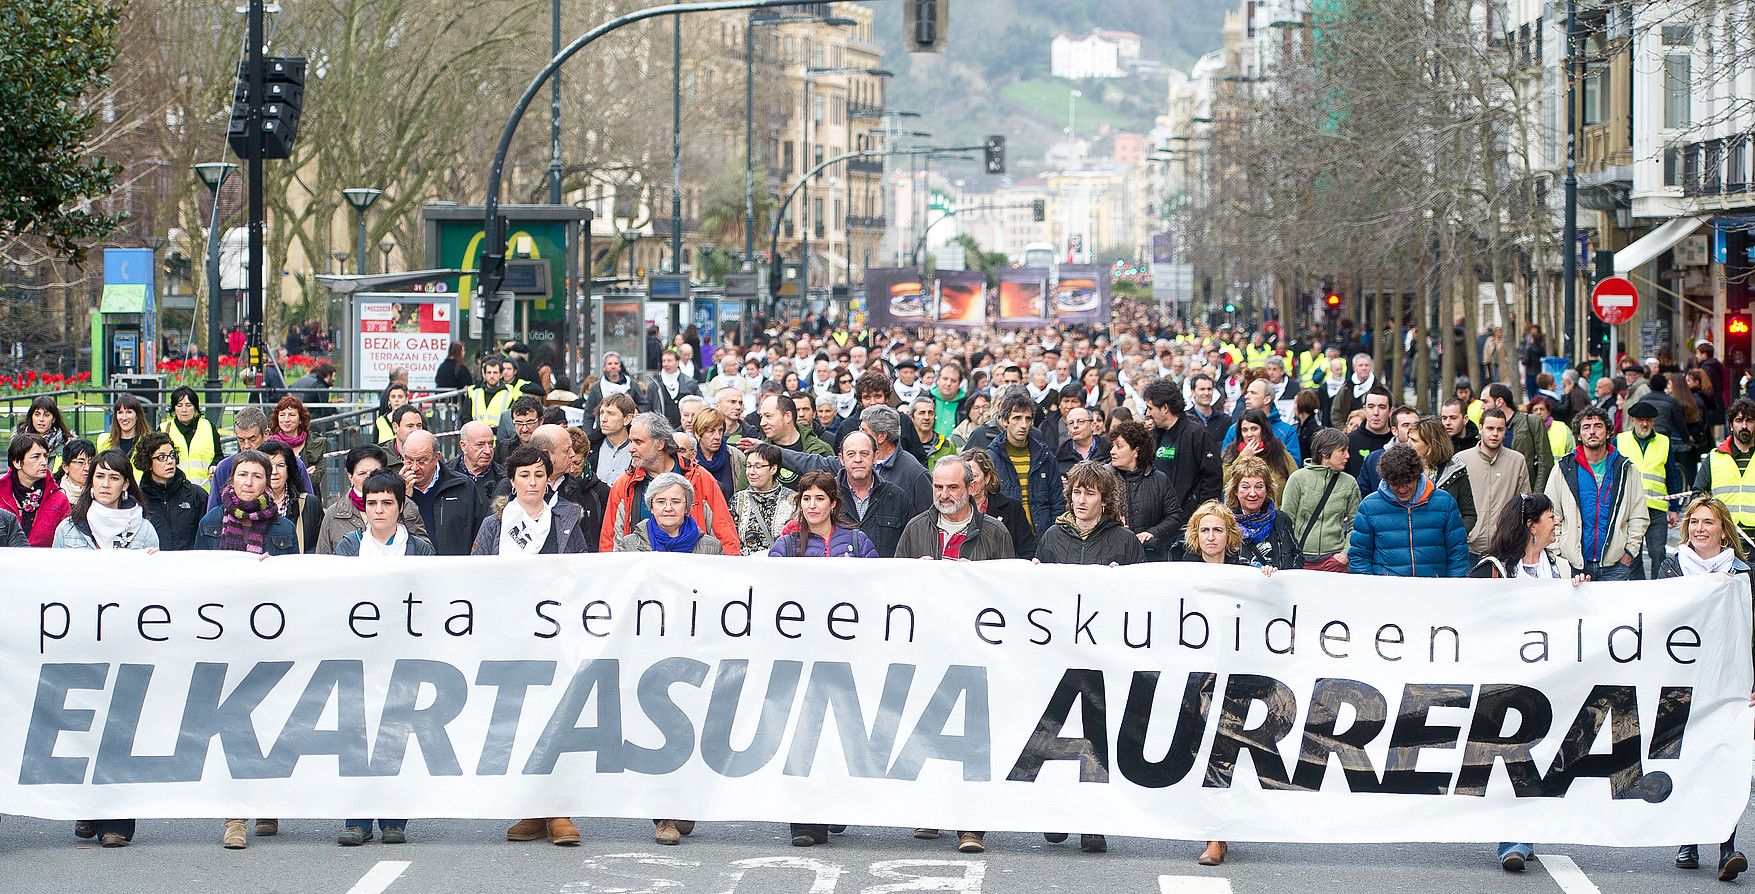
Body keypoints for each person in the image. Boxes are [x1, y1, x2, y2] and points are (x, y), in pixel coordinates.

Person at [893, 454, 1011, 854]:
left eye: (952, 488)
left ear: (971, 488)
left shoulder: (994, 533)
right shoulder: (915, 528)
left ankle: (971, 825)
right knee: (927, 731)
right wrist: (916, 575)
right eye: (938, 487)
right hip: (928, 647)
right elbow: (894, 587)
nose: (944, 495)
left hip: (976, 651)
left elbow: (1008, 595)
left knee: (974, 738)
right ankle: (931, 811)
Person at [473, 446, 589, 847]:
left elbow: (581, 573)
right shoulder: (495, 525)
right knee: (521, 721)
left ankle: (559, 810)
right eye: (525, 476)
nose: (533, 483)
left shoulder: (567, 520)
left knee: (556, 719)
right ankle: (534, 809)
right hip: (510, 636)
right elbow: (478, 578)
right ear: (513, 480)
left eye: (539, 475)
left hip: (555, 636)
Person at [328, 469, 432, 846]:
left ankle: (394, 820)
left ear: (400, 507)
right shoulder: (348, 547)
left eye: (387, 503)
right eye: (372, 503)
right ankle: (356, 819)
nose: (379, 510)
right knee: (356, 733)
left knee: (396, 734)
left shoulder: (420, 549)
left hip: (403, 654)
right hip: (358, 656)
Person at [1173, 499, 1275, 867]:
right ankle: (1210, 827)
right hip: (1194, 676)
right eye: (1204, 531)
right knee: (1197, 747)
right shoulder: (1180, 572)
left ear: (1229, 535)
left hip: (1236, 677)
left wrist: (1267, 582)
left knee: (1225, 750)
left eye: (1217, 530)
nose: (1211, 537)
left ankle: (1217, 835)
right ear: (1195, 536)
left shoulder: (1247, 572)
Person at [1654, 496, 1750, 881]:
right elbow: (1658, 616)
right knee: (1688, 755)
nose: (1699, 529)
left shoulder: (1744, 571)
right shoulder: (1672, 566)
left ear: (1724, 530)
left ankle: (1727, 843)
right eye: (1694, 522)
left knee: (1726, 757)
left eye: (1708, 522)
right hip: (1682, 678)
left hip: (1729, 677)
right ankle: (1688, 840)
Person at [601, 413, 740, 553]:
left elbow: (724, 533)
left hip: (694, 569)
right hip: (643, 572)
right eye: (630, 442)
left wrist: (728, 569)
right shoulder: (624, 485)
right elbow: (609, 542)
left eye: (638, 442)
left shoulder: (700, 478)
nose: (631, 448)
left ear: (660, 443)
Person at [1543, 407, 1648, 581]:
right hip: (1573, 565)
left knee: (1613, 610)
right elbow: (1551, 513)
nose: (1592, 431)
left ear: (1607, 432)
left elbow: (1638, 515)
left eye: (1598, 426)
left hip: (1615, 566)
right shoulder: (1564, 469)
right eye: (1586, 427)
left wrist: (1629, 552)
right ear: (1578, 434)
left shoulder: (1625, 469)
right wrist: (1558, 551)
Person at [1349, 444, 1469, 577]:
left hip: (1434, 590)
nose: (1402, 489)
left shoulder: (1444, 502)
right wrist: (1375, 588)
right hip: (1388, 592)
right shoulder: (1369, 507)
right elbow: (1359, 556)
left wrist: (1452, 587)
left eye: (1407, 482)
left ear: (1417, 476)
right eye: (1395, 484)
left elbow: (1458, 553)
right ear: (1386, 480)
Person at [314, 445, 429, 555]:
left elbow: (423, 549)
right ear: (350, 476)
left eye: (374, 473)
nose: (368, 478)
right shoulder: (334, 514)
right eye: (362, 473)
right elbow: (324, 560)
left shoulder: (406, 505)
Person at [1034, 461, 1143, 569]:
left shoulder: (1126, 540)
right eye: (1077, 492)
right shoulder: (1052, 536)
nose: (1081, 500)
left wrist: (1121, 578)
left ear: (1104, 499)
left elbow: (1140, 583)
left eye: (1089, 494)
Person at [987, 386, 1063, 538]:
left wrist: (1053, 535)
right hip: (1006, 537)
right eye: (1017, 418)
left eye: (1028, 419)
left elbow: (1057, 502)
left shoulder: (1045, 457)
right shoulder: (991, 458)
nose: (1023, 424)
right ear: (1005, 420)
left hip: (1041, 536)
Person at [1281, 428, 1362, 572]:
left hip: (1334, 561)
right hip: (1301, 559)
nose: (1347, 456)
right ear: (1325, 453)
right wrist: (1290, 553)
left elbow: (1356, 524)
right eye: (1342, 451)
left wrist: (1345, 553)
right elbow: (1286, 521)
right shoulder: (1298, 479)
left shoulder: (1349, 483)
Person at [1619, 400, 1684, 578]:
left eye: (1648, 419)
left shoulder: (1664, 442)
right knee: (1632, 554)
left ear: (1654, 421)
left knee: (1658, 553)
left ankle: (1658, 588)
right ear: (1632, 420)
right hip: (1630, 508)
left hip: (1656, 508)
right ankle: (1639, 592)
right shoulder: (1620, 441)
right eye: (1640, 419)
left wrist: (1675, 508)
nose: (1644, 423)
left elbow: (1672, 475)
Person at [400, 429, 487, 556]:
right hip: (413, 570)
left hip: (452, 570)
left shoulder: (462, 485)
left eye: (422, 461)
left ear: (437, 458)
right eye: (408, 461)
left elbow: (479, 533)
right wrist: (404, 497)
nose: (414, 468)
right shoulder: (395, 490)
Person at [53, 449, 158, 551]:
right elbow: (56, 567)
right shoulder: (67, 528)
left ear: (125, 485)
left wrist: (151, 560)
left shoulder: (145, 530)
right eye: (100, 476)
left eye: (114, 478)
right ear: (92, 481)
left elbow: (153, 568)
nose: (106, 484)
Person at [1106, 421, 1178, 561]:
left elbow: (1174, 516)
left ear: (1136, 451)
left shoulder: (1159, 480)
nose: (1112, 451)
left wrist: (1152, 532)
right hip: (1112, 555)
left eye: (1119, 446)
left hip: (1150, 556)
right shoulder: (1103, 477)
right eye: (1113, 446)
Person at [768, 469, 878, 559]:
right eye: (806, 499)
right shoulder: (785, 545)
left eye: (820, 499)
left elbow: (875, 581)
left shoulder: (858, 540)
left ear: (833, 503)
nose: (812, 505)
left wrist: (853, 573)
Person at [133, 431, 208, 551]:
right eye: (161, 457)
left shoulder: (197, 496)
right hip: (153, 566)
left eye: (172, 455)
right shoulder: (137, 500)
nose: (170, 461)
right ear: (148, 462)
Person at [1694, 398, 1755, 544]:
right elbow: (1698, 494)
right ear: (1731, 425)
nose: (1744, 426)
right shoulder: (1714, 457)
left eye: (1750, 421)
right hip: (1724, 539)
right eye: (1739, 421)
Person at [1224, 455, 1300, 569]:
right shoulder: (1225, 523)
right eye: (1245, 487)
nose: (1253, 493)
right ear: (1235, 490)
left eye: (1259, 487)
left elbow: (1297, 557)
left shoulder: (1281, 520)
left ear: (1267, 489)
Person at [1408, 415, 1475, 536]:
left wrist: (1455, 538)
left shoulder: (1455, 471)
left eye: (1414, 440)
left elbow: (1469, 514)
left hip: (1442, 549)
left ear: (1430, 444)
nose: (1408, 444)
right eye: (1409, 439)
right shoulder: (1402, 469)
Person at [0, 434, 71, 548]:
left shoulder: (59, 499)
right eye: (36, 456)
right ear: (17, 462)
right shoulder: (1, 494)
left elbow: (67, 541)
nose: (44, 462)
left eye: (45, 456)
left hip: (46, 563)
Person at [1484, 382, 1552, 492]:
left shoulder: (1531, 422)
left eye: (1485, 401)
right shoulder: (1485, 428)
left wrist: (1536, 494)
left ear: (1499, 401)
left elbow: (1545, 460)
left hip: (1525, 491)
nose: (1482, 406)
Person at [731, 443, 796, 554]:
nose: (751, 472)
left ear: (773, 469)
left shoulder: (792, 500)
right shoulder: (738, 500)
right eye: (749, 466)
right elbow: (730, 538)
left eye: (758, 466)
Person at [1221, 409, 1298, 502]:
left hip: (1275, 512)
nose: (1249, 434)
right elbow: (1225, 482)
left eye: (1254, 429)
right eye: (1245, 430)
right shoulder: (1232, 452)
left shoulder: (1278, 451)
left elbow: (1295, 480)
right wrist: (1241, 458)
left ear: (1263, 430)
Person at [260, 440, 321, 552]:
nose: (274, 472)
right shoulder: (249, 504)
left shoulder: (308, 503)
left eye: (280, 465)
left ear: (289, 470)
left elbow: (317, 547)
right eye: (268, 466)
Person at [160, 387, 223, 486]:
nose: (184, 410)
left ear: (195, 407)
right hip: (173, 491)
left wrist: (214, 465)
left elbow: (219, 455)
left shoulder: (208, 427)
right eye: (179, 405)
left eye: (188, 405)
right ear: (174, 408)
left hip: (204, 491)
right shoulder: (163, 429)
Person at [693, 408, 745, 502]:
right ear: (698, 433)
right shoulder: (690, 458)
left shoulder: (735, 457)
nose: (717, 436)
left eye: (720, 430)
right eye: (711, 431)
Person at [1345, 389, 1395, 483]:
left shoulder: (1397, 442)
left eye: (1382, 407)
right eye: (1371, 407)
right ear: (1364, 409)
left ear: (1390, 411)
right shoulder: (1349, 441)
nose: (1376, 412)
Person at [454, 420, 506, 507]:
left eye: (490, 444)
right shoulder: (445, 475)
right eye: (480, 445)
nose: (488, 451)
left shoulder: (504, 478)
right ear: (463, 446)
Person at [16, 394, 70, 471]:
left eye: (46, 415)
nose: (41, 419)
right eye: (37, 414)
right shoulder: (18, 443)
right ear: (31, 417)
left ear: (53, 419)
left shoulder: (67, 444)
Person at [650, 349, 703, 428]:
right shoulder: (654, 384)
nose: (666, 364)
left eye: (669, 361)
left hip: (686, 428)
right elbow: (649, 406)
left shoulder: (690, 383)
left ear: (677, 362)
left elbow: (701, 403)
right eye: (663, 361)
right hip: (662, 429)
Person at [95, 393, 148, 459]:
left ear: (137, 415)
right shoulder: (103, 441)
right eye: (120, 412)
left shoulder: (148, 442)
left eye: (129, 412)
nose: (124, 417)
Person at [910, 396, 958, 469]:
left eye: (930, 413)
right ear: (912, 417)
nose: (927, 417)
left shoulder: (946, 446)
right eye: (922, 413)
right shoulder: (905, 445)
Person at [468, 355, 515, 425]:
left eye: (495, 372)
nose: (492, 376)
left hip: (498, 435)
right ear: (484, 375)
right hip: (476, 434)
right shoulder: (475, 394)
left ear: (501, 375)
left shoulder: (508, 396)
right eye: (489, 372)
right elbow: (466, 416)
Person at [57, 438, 95, 506]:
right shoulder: (54, 493)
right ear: (65, 467)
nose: (87, 468)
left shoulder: (100, 491)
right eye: (80, 462)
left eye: (91, 462)